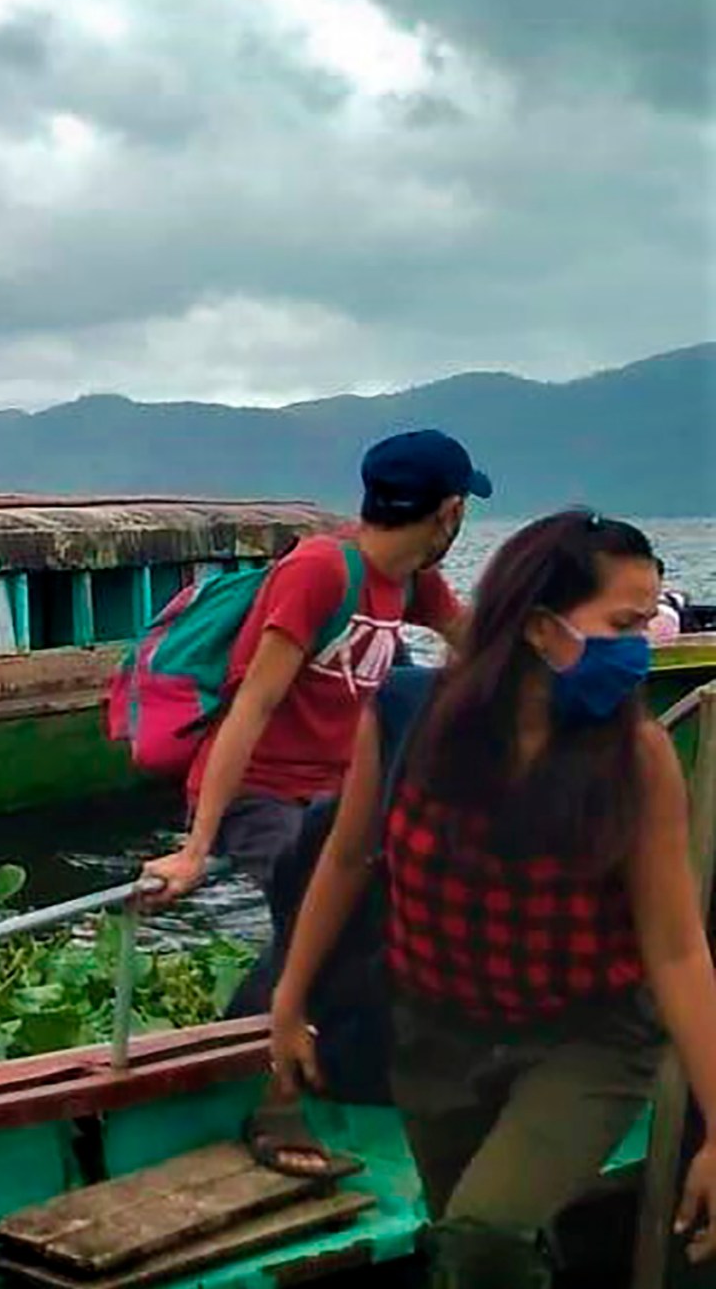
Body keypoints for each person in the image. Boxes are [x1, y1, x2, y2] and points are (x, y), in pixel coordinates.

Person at [270, 511, 716, 1286]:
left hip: (586, 1040)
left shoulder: (635, 758)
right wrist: (289, 997)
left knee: (480, 1236)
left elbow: (676, 949)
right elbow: (345, 859)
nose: (639, 649)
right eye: (621, 625)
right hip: (436, 1034)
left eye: (647, 623)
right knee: (473, 1241)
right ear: (541, 628)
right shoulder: (410, 717)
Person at [140, 428, 482, 1173]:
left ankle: (348, 1061)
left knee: (380, 899)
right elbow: (252, 706)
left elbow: (478, 645)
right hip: (257, 792)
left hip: (333, 795)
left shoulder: (413, 585)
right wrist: (197, 849)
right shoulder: (322, 571)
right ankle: (260, 1093)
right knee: (314, 913)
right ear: (449, 513)